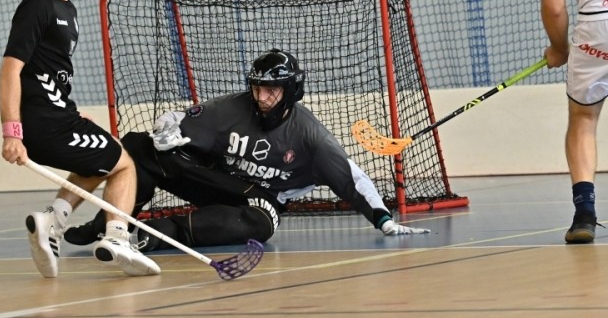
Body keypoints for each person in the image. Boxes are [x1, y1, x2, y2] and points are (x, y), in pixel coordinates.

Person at [64, 49, 430, 249]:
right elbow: (182, 121)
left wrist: (384, 221)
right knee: (136, 146)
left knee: (262, 224)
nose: (261, 97)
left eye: (271, 90)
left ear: (290, 91)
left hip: (259, 201)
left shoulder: (311, 138)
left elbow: (353, 179)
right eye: (256, 88)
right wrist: (167, 128)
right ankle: (108, 226)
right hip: (215, 181)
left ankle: (153, 235)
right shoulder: (232, 107)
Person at [0, 0, 159, 277]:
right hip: (43, 123)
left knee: (97, 161)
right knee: (124, 163)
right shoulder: (36, 7)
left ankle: (52, 220)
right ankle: (117, 237)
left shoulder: (66, 9)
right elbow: (10, 70)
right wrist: (11, 132)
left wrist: (70, 111)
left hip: (57, 115)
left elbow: (45, 72)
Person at [515, 0, 608, 244]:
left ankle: (584, 215)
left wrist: (559, 49)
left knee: (583, 119)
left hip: (597, 26)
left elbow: (554, 7)